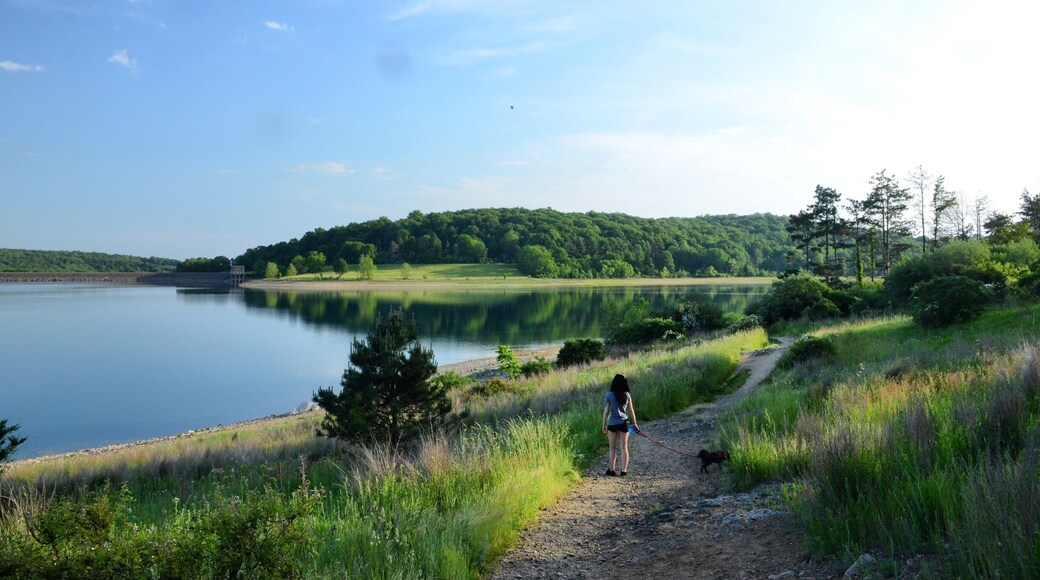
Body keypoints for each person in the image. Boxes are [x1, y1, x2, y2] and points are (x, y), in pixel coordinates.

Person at [602, 373, 638, 476]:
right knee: (624, 447)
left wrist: (603, 425)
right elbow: (631, 410)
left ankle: (612, 470)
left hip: (612, 423)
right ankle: (624, 470)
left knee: (612, 448)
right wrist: (635, 423)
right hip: (624, 423)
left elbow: (606, 412)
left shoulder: (609, 395)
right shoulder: (627, 395)